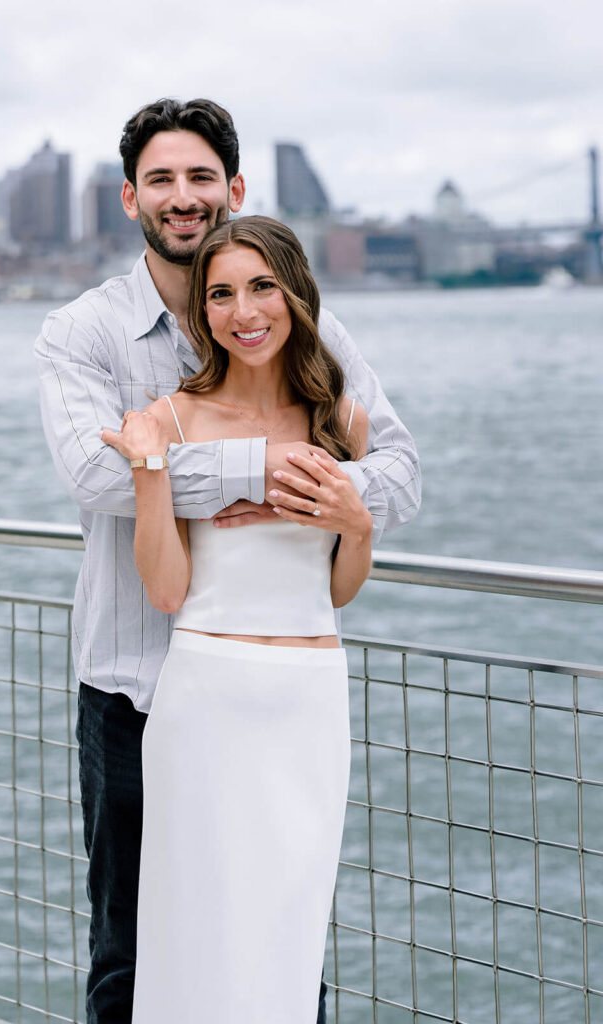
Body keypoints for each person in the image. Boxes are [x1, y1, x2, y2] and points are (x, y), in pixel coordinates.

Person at [34, 97, 420, 1024]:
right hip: (138, 688)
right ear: (130, 199)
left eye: (201, 177)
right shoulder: (81, 332)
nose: (183, 196)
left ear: (234, 189)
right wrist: (268, 466)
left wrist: (341, 497)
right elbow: (97, 474)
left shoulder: (312, 343)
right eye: (161, 179)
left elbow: (398, 474)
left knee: (282, 951)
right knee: (136, 956)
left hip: (291, 701)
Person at [102, 215, 372, 1022]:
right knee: (193, 933)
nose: (244, 310)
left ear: (295, 293)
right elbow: (163, 588)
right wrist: (151, 467)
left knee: (285, 936)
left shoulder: (344, 422)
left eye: (261, 287)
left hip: (309, 699)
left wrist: (356, 523)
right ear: (203, 313)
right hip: (206, 698)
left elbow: (338, 591)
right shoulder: (173, 418)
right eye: (221, 293)